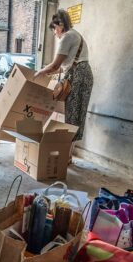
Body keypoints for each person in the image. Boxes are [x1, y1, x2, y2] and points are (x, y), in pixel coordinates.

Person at [34, 10, 93, 159]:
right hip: (83, 74)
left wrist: (39, 73)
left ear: (60, 24)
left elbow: (55, 65)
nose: (54, 33)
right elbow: (62, 67)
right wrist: (48, 74)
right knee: (76, 115)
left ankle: (66, 157)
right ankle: (69, 155)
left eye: (54, 28)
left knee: (72, 116)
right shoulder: (76, 35)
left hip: (78, 76)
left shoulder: (67, 37)